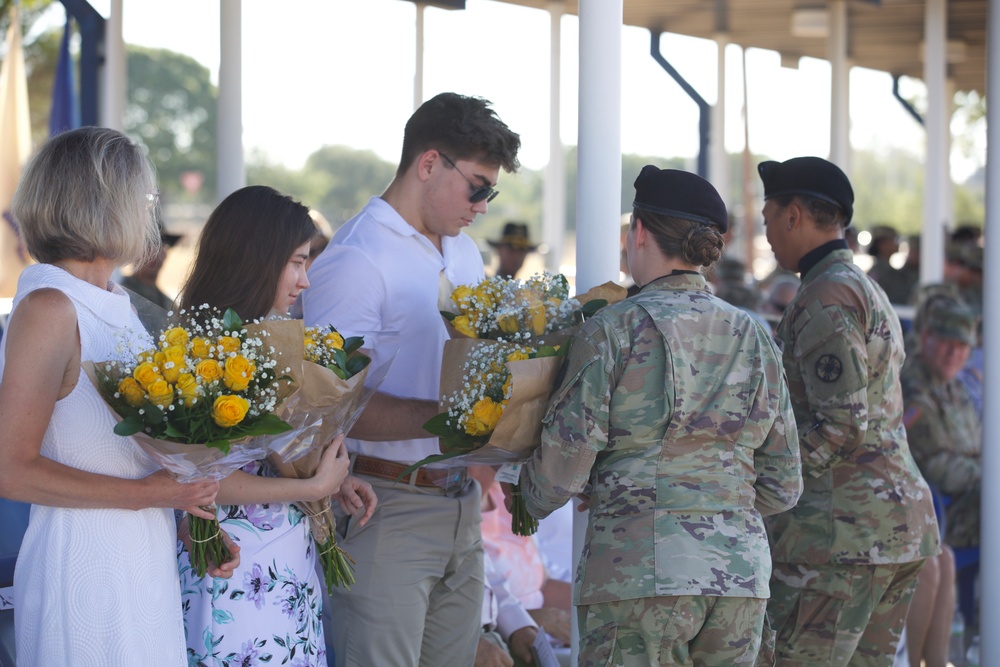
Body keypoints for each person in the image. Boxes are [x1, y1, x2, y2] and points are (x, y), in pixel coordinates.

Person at [514, 165, 802, 666]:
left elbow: (561, 473)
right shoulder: (754, 335)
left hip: (640, 573)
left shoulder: (612, 330)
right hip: (739, 577)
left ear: (638, 233)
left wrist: (522, 494)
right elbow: (783, 485)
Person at [302, 92, 521, 666]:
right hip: (385, 503)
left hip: (460, 504)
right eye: (478, 186)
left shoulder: (467, 252)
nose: (482, 205)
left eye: (490, 191)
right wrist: (452, 418)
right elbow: (328, 410)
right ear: (429, 164)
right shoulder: (355, 259)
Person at [0, 126, 227, 665]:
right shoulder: (51, 306)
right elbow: (10, 468)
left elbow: (130, 452)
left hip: (140, 553)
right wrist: (157, 496)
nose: (150, 210)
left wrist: (193, 519)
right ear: (108, 203)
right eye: (145, 197)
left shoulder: (115, 301)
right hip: (82, 559)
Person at [177, 185, 374, 666]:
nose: (305, 281)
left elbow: (271, 452)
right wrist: (311, 489)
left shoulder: (270, 342)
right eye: (297, 263)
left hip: (286, 565)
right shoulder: (202, 350)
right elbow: (204, 482)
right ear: (256, 259)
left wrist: (330, 478)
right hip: (231, 569)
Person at [757, 156, 940, 665]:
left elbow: (841, 425)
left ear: (794, 216)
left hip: (840, 539)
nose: (765, 231)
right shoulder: (859, 286)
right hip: (886, 531)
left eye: (768, 216)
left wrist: (763, 482)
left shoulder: (827, 296)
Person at [900, 293, 981, 653]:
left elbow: (978, 448)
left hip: (964, 505)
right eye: (946, 343)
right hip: (936, 508)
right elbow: (939, 468)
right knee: (940, 561)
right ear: (927, 338)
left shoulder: (956, 386)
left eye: (962, 345)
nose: (954, 353)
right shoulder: (916, 387)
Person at [119, 224, 182, 310]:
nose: (153, 254)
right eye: (147, 247)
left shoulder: (170, 305)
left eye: (160, 247)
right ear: (134, 253)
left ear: (165, 254)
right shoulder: (120, 294)